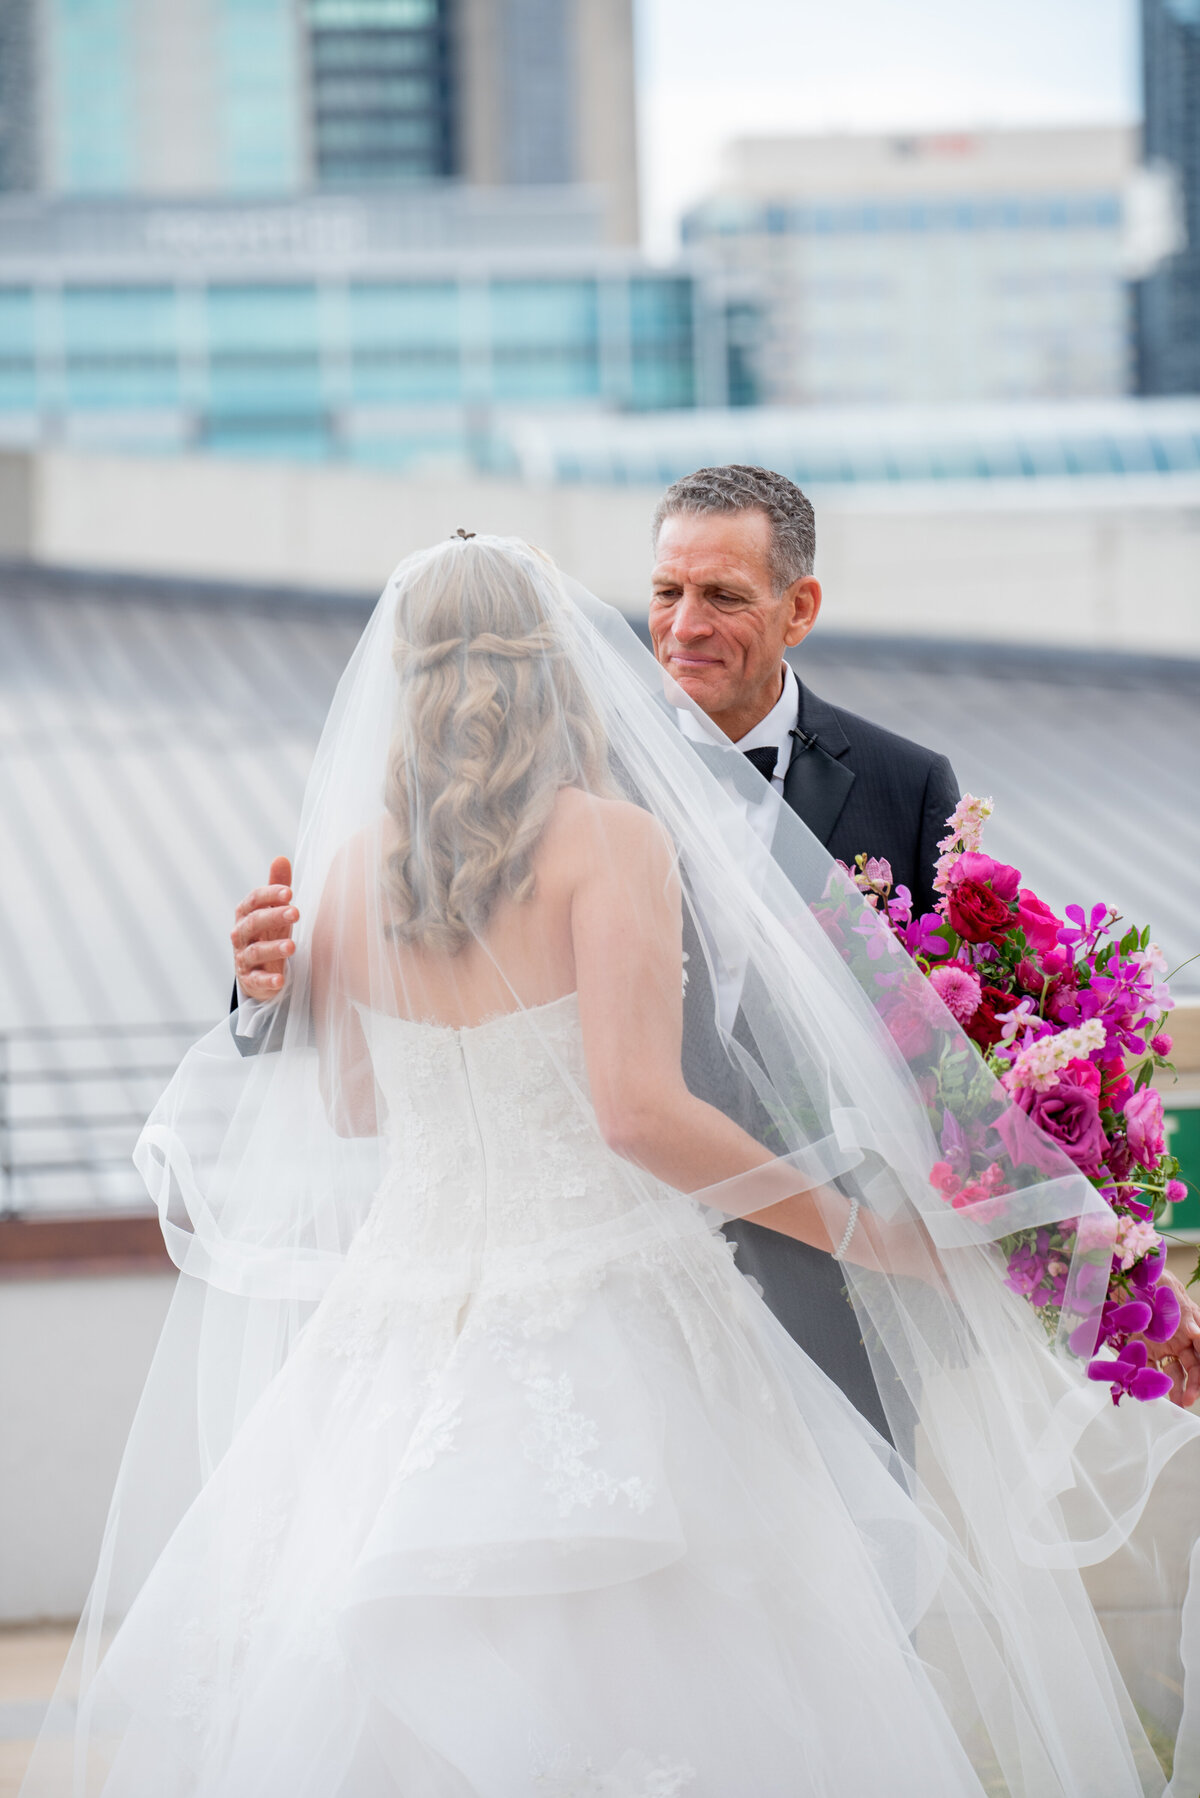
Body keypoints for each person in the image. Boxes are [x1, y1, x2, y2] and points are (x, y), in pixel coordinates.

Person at [25, 534, 1200, 1794]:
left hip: (400, 1320)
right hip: (606, 1308)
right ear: (560, 672)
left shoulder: (360, 864)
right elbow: (640, 1113)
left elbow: (360, 1107)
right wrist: (867, 1229)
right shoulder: (610, 841)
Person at [230, 467, 1200, 1431]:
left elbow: (994, 1056)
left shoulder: (906, 787)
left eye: (724, 596)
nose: (684, 624)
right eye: (665, 592)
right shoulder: (548, 779)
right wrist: (261, 989)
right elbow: (413, 971)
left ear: (799, 606)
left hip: (848, 1295)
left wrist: (1124, 1274)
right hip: (619, 1287)